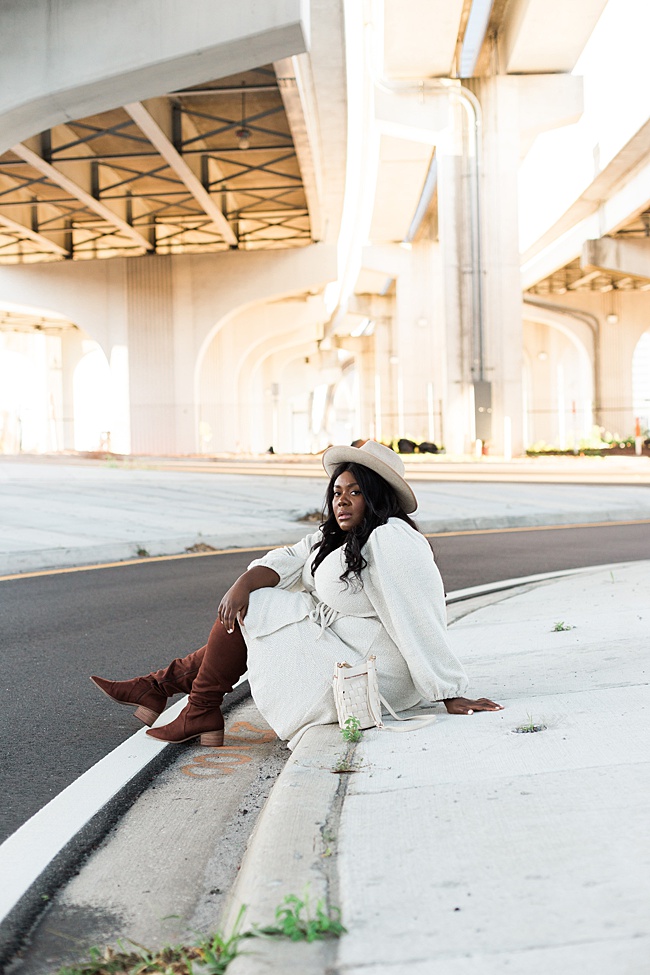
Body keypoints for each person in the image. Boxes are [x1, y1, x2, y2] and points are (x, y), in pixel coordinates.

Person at [91, 441, 502, 748]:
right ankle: (166, 689)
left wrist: (449, 691)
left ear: (377, 496)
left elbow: (419, 615)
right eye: (337, 492)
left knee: (260, 608)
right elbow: (289, 558)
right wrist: (242, 583)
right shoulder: (336, 538)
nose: (342, 500)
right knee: (253, 600)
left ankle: (194, 706)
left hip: (377, 671)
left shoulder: (392, 539)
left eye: (355, 492)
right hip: (345, 647)